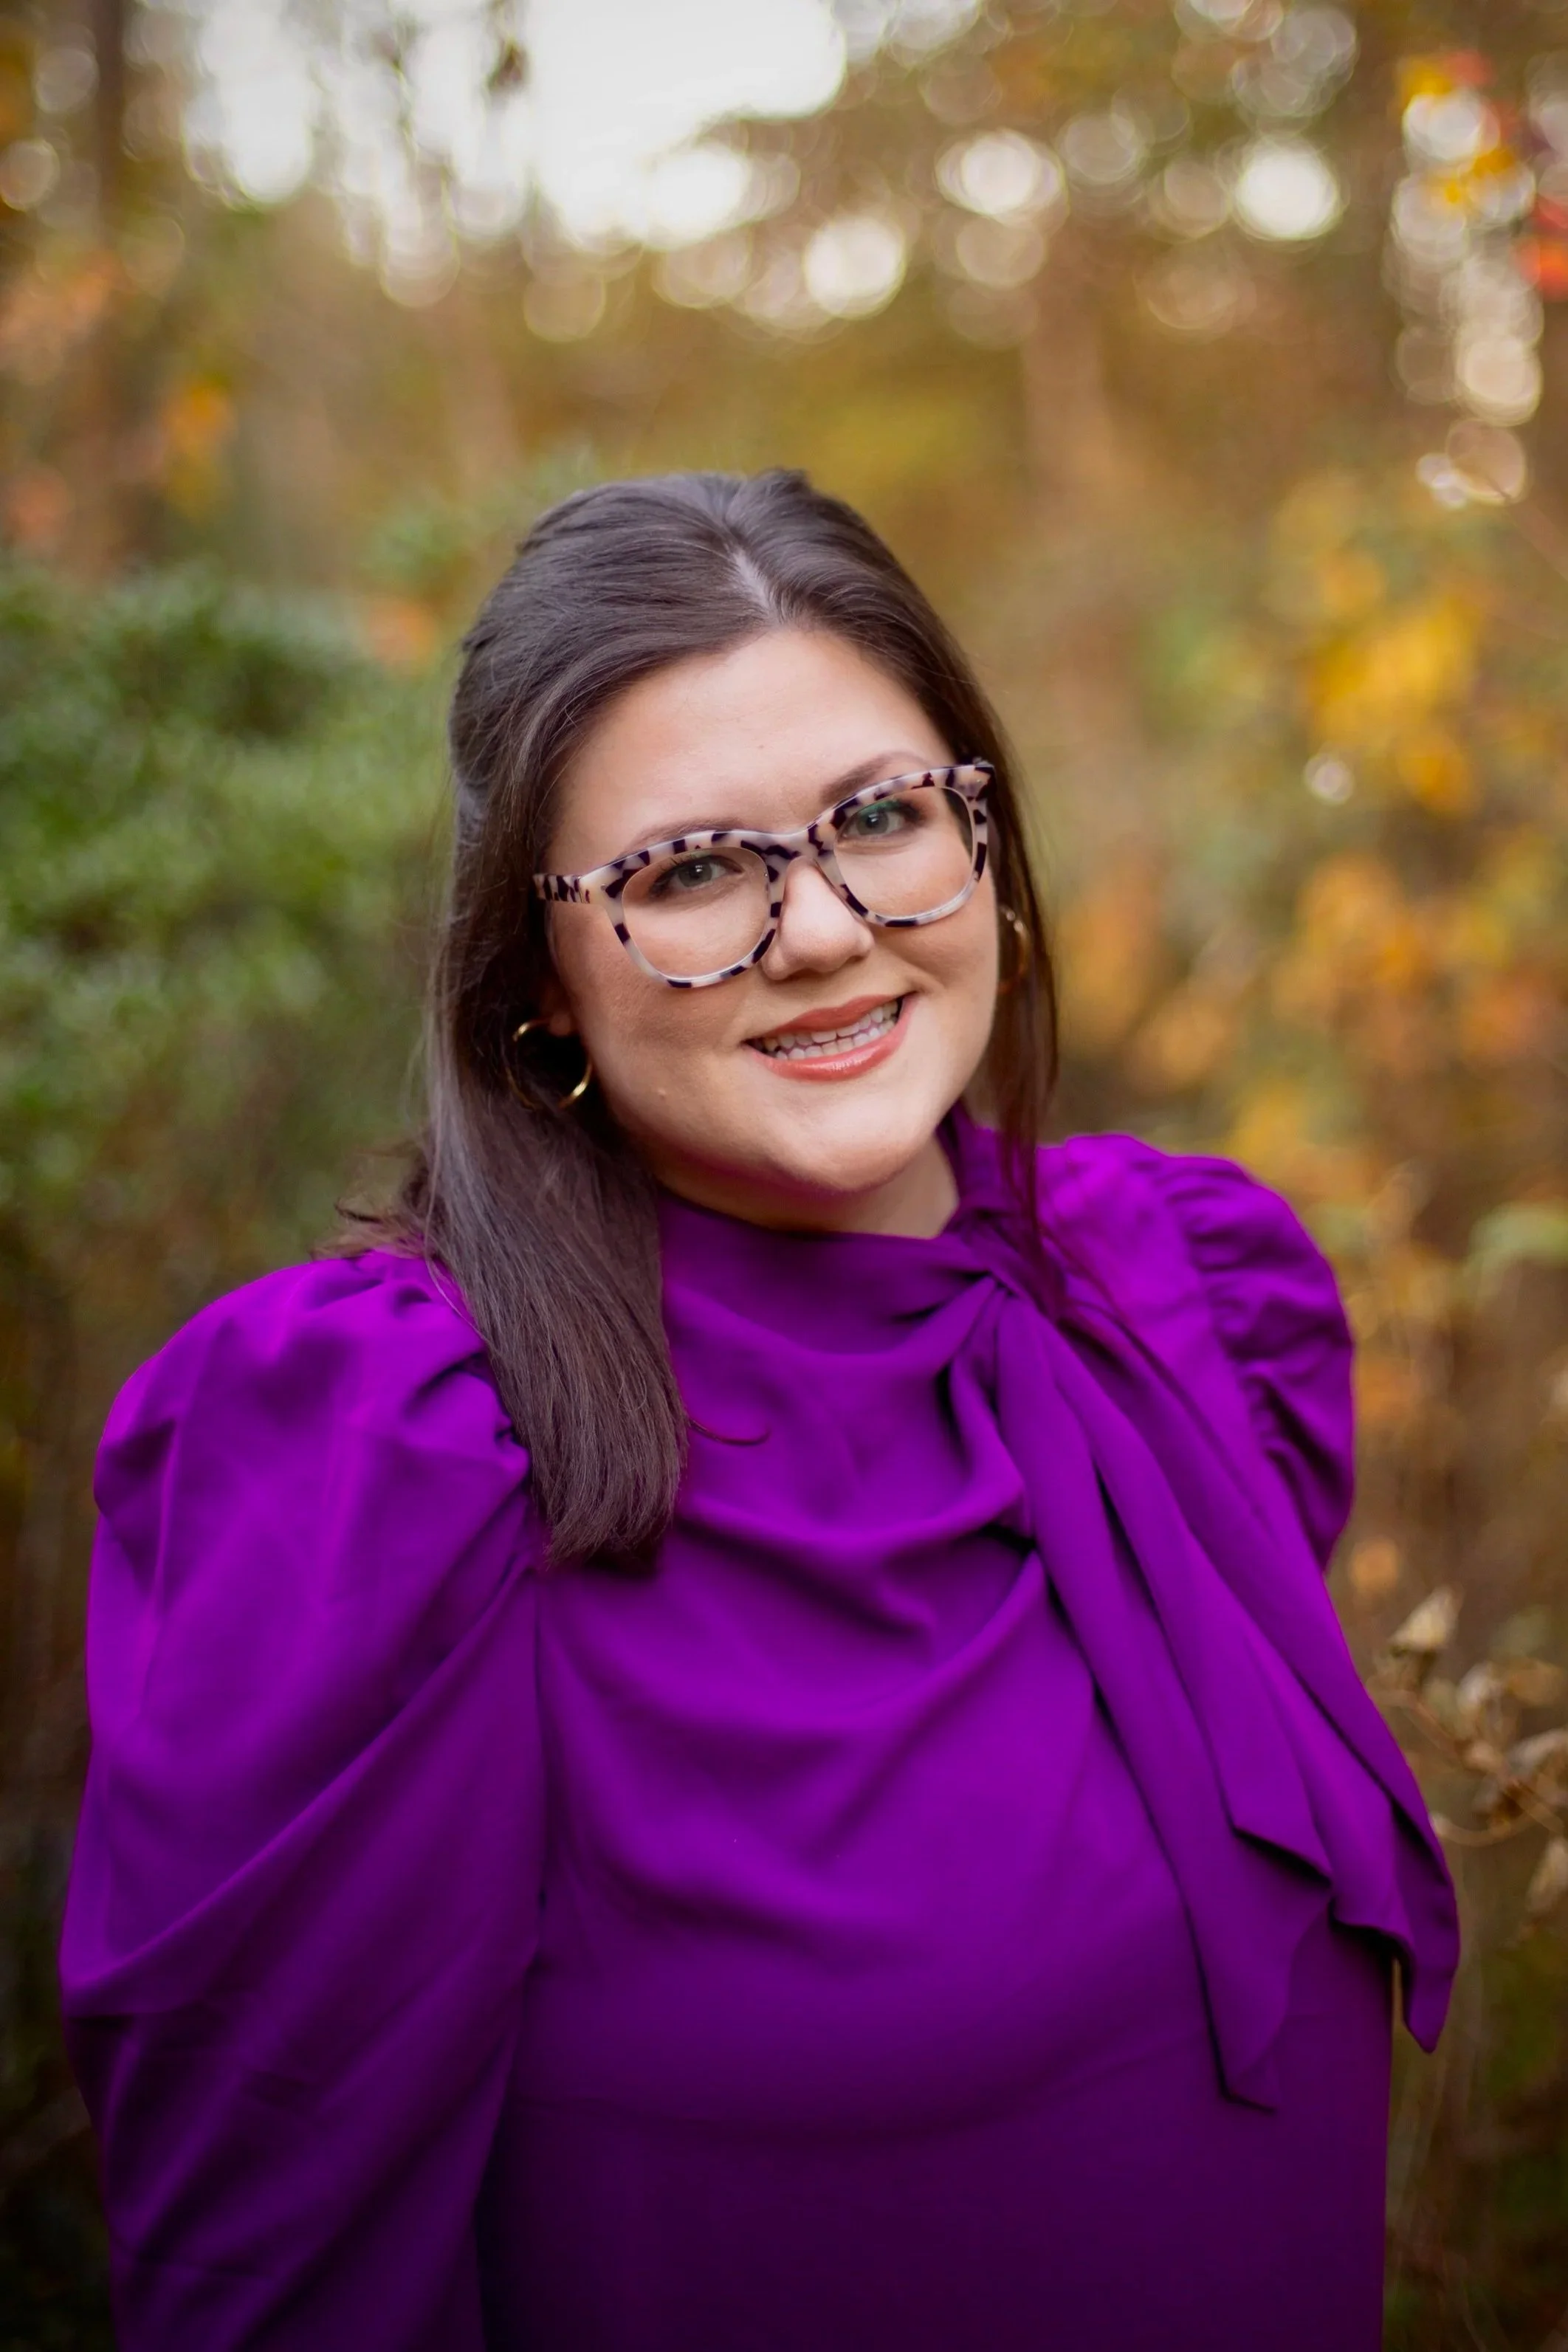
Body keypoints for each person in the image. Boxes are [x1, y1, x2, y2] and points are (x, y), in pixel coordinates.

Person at [61, 470, 1458, 2352]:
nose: (819, 929)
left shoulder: (1189, 1298)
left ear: (987, 846)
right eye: (690, 873)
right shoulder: (386, 1459)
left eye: (882, 817)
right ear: (537, 980)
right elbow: (282, 2284)